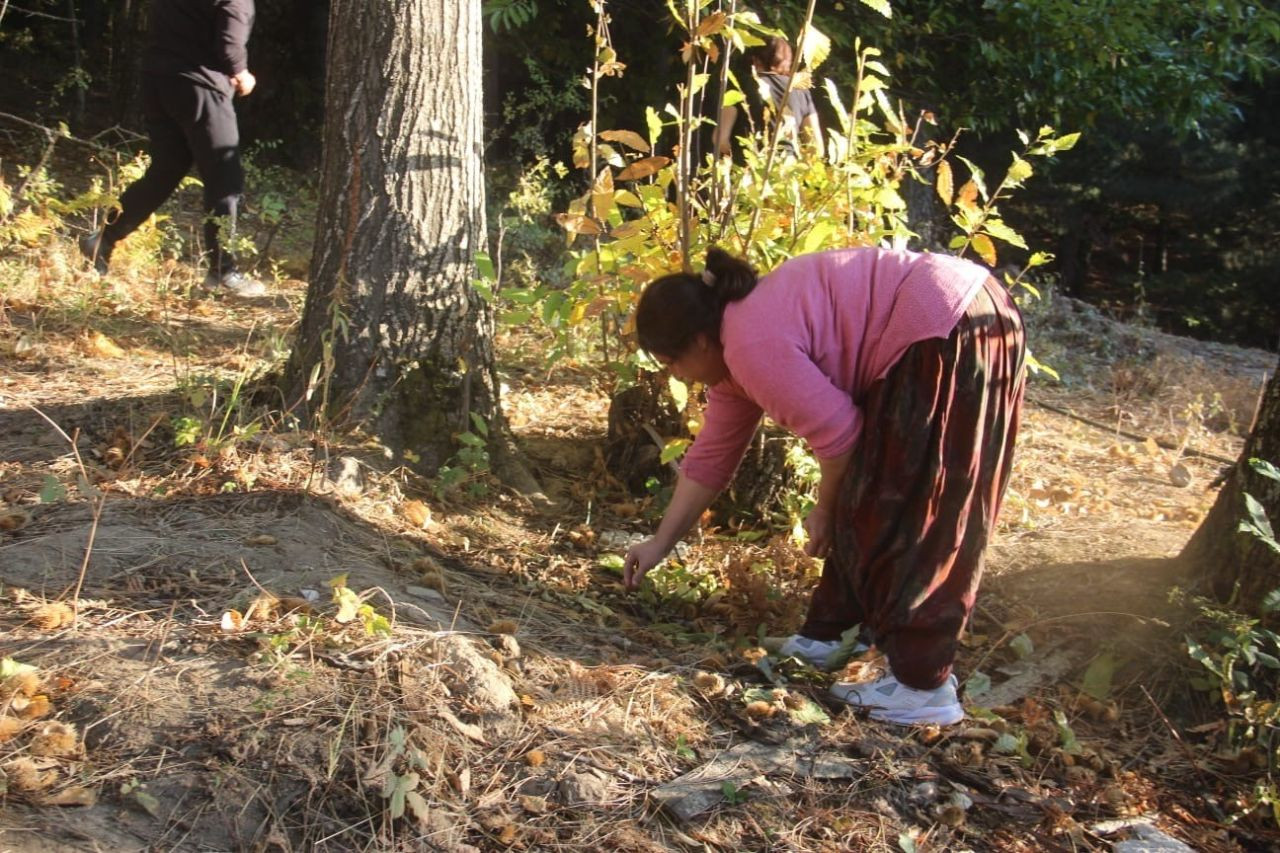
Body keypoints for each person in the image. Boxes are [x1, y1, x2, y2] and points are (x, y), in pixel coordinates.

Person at [622, 247, 1026, 726]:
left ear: (698, 344)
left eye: (672, 364)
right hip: (952, 313)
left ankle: (924, 686)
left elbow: (840, 439)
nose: (678, 377)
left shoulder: (750, 343)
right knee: (877, 482)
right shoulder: (734, 352)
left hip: (950, 323)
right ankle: (832, 634)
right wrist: (660, 544)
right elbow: (709, 460)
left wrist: (823, 508)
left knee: (919, 499)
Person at [79, 0, 265, 297]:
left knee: (166, 169)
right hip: (201, 88)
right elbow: (230, 45)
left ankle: (102, 240)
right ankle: (223, 272)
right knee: (225, 181)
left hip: (158, 81)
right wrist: (242, 74)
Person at [712, 37, 823, 160]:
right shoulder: (801, 91)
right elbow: (816, 147)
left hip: (749, 168)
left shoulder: (741, 86)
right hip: (787, 169)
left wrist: (737, 158)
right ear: (788, 61)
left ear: (755, 60)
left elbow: (720, 139)